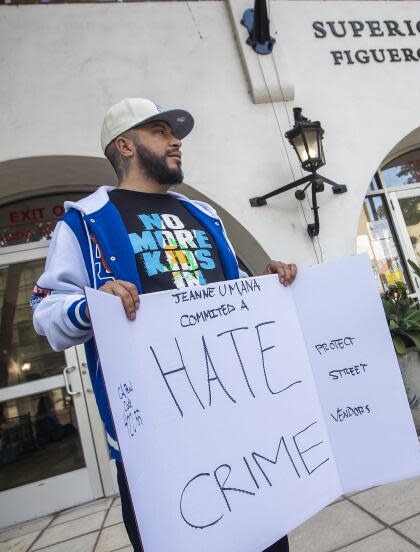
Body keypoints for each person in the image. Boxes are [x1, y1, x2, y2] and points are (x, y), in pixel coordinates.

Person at [31, 98, 296, 551]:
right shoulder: (85, 222)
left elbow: (234, 295)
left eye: (175, 134)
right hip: (155, 442)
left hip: (237, 423)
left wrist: (268, 284)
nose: (176, 141)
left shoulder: (203, 215)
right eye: (160, 131)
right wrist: (91, 305)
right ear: (125, 146)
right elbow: (46, 312)